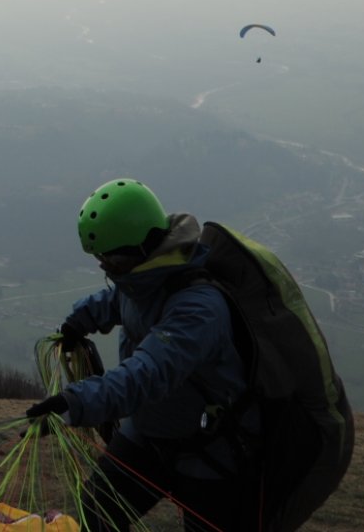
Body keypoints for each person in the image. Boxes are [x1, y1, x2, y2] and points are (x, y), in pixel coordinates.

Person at [25, 178, 263, 532]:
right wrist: (80, 320)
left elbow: (146, 373)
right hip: (149, 433)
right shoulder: (142, 278)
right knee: (95, 516)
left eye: (112, 258)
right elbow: (121, 300)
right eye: (100, 258)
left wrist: (73, 403)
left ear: (143, 245)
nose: (105, 266)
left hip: (211, 451)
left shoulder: (199, 309)